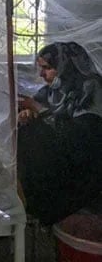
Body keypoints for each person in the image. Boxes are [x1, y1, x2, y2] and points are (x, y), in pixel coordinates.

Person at [17, 42, 102, 225]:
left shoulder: (91, 87)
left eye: (47, 68)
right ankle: (27, 198)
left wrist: (38, 110)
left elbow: (83, 135)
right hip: (61, 150)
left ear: (65, 66)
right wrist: (27, 114)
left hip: (85, 161)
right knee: (24, 131)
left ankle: (40, 203)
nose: (41, 75)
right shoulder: (55, 88)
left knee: (33, 137)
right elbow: (38, 107)